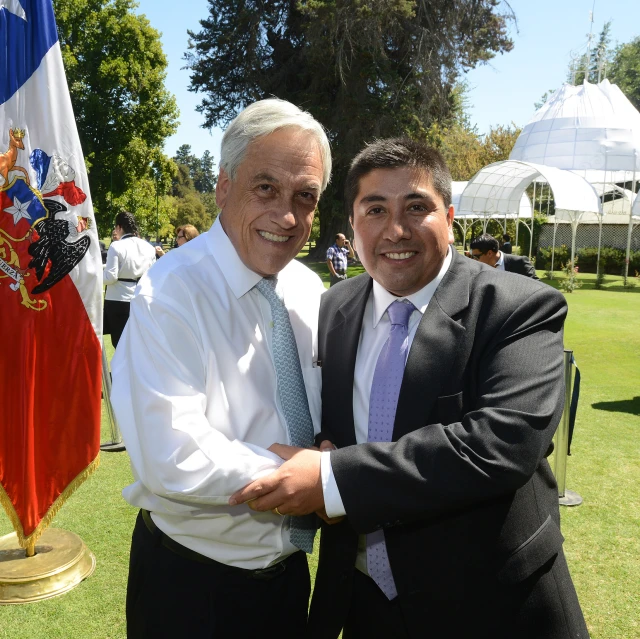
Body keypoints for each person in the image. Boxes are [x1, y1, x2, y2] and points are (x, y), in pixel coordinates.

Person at [230, 138, 588, 639]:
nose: (395, 229)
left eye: (416, 207)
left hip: (491, 607)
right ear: (353, 223)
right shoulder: (334, 308)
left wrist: (331, 478)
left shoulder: (520, 307)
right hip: (362, 603)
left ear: (450, 216)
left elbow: (502, 444)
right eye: (375, 209)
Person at [110, 98, 332, 638]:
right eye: (266, 188)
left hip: (287, 579)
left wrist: (329, 453)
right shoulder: (171, 291)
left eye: (305, 196)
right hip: (192, 588)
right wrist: (306, 477)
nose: (287, 216)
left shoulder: (308, 288)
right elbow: (172, 452)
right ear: (223, 188)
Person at [103, 211, 156, 348]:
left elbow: (110, 277)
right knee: (139, 342)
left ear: (119, 227)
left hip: (118, 300)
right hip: (141, 298)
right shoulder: (149, 248)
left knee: (119, 343)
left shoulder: (116, 246)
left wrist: (95, 275)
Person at [470, 232, 538, 279]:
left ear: (489, 253)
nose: (474, 260)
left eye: (476, 257)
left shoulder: (520, 263)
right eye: (472, 257)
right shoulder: (477, 269)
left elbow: (538, 288)